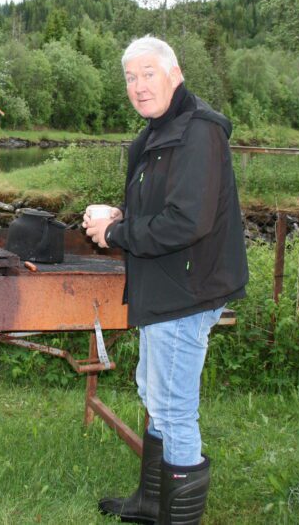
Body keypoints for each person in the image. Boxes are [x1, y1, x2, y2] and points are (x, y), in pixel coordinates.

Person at [84, 35, 248, 525]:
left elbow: (187, 221)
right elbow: (159, 204)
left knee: (174, 408)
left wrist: (115, 232)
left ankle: (178, 517)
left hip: (188, 291)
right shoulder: (156, 132)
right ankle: (153, 503)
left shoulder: (200, 132)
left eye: (147, 73)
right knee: (155, 393)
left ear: (174, 74)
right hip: (164, 286)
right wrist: (121, 212)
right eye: (130, 78)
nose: (138, 86)